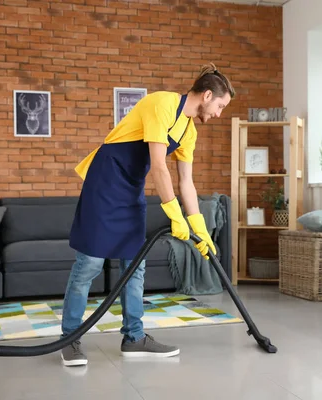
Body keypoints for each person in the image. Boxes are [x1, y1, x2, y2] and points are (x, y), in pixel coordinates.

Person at [59, 63, 235, 367]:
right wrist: (173, 214)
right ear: (207, 95)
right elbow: (158, 165)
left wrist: (200, 228)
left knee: (135, 265)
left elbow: (186, 183)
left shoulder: (189, 131)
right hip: (106, 179)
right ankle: (69, 338)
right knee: (89, 263)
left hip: (131, 187)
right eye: (220, 106)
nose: (219, 114)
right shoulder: (162, 104)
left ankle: (134, 337)